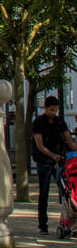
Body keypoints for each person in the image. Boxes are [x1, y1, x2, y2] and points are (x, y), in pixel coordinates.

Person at [31, 95, 76, 234]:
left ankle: (67, 221)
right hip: (44, 160)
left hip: (60, 160)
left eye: (55, 110)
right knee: (44, 192)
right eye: (51, 110)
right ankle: (42, 225)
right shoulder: (38, 122)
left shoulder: (59, 122)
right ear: (45, 108)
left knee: (67, 191)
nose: (53, 113)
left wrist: (74, 150)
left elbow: (68, 140)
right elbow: (39, 145)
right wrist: (52, 156)